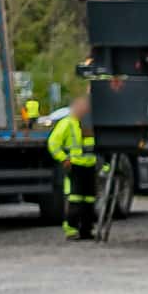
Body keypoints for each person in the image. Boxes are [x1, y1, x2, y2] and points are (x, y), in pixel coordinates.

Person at [49, 88, 102, 239]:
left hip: (90, 166)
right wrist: (63, 158)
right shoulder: (67, 123)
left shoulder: (90, 124)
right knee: (75, 199)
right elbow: (53, 143)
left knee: (89, 200)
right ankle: (71, 230)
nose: (84, 110)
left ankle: (86, 230)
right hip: (75, 167)